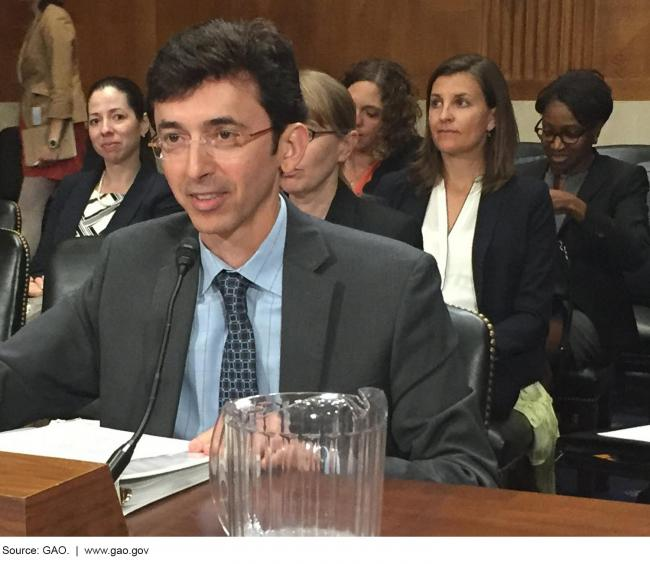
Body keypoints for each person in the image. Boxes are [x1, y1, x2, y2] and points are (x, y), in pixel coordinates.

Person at [0, 19, 497, 486]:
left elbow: (466, 472)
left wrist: (321, 463)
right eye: (173, 138)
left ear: (289, 147)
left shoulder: (388, 283)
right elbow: (15, 380)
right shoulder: (131, 262)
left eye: (224, 135)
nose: (195, 168)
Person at [374, 54, 557, 435]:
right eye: (437, 103)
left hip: (487, 367)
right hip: (402, 365)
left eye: (461, 102)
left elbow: (532, 315)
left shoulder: (526, 199)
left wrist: (468, 351)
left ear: (492, 118)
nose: (443, 115)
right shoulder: (395, 191)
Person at [518, 70, 650, 368]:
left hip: (587, 310)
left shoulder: (624, 179)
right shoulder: (524, 175)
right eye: (547, 131)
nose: (556, 144)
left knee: (533, 339)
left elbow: (635, 253)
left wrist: (578, 208)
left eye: (570, 134)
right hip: (527, 302)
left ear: (596, 131)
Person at [28, 76, 181, 297]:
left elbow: (158, 277)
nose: (105, 129)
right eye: (95, 121)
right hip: (56, 315)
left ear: (144, 124)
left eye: (118, 117)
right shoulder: (70, 187)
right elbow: (41, 265)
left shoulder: (165, 194)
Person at [280, 69, 421, 248]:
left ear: (345, 145)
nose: (288, 150)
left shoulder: (389, 234)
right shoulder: (249, 227)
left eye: (308, 134)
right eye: (280, 133)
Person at [17, 0, 88, 253]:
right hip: (41, 126)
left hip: (56, 127)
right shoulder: (41, 17)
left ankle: (19, 278)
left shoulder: (55, 17)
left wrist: (54, 139)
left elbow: (62, 82)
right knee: (43, 206)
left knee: (32, 206)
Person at [341, 59, 421, 196]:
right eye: (349, 108)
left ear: (393, 118)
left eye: (371, 114)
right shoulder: (326, 150)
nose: (356, 121)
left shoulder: (411, 166)